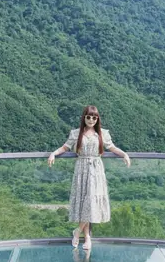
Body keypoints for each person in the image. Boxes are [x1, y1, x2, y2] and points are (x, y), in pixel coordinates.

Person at [48, 105, 131, 250]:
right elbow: (65, 147)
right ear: (84, 118)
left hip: (96, 170)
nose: (91, 120)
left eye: (94, 117)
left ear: (97, 119)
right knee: (84, 201)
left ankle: (78, 231)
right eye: (88, 117)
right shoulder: (76, 133)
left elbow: (112, 147)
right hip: (81, 169)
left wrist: (124, 154)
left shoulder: (102, 133)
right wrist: (53, 153)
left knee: (91, 201)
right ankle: (86, 237)